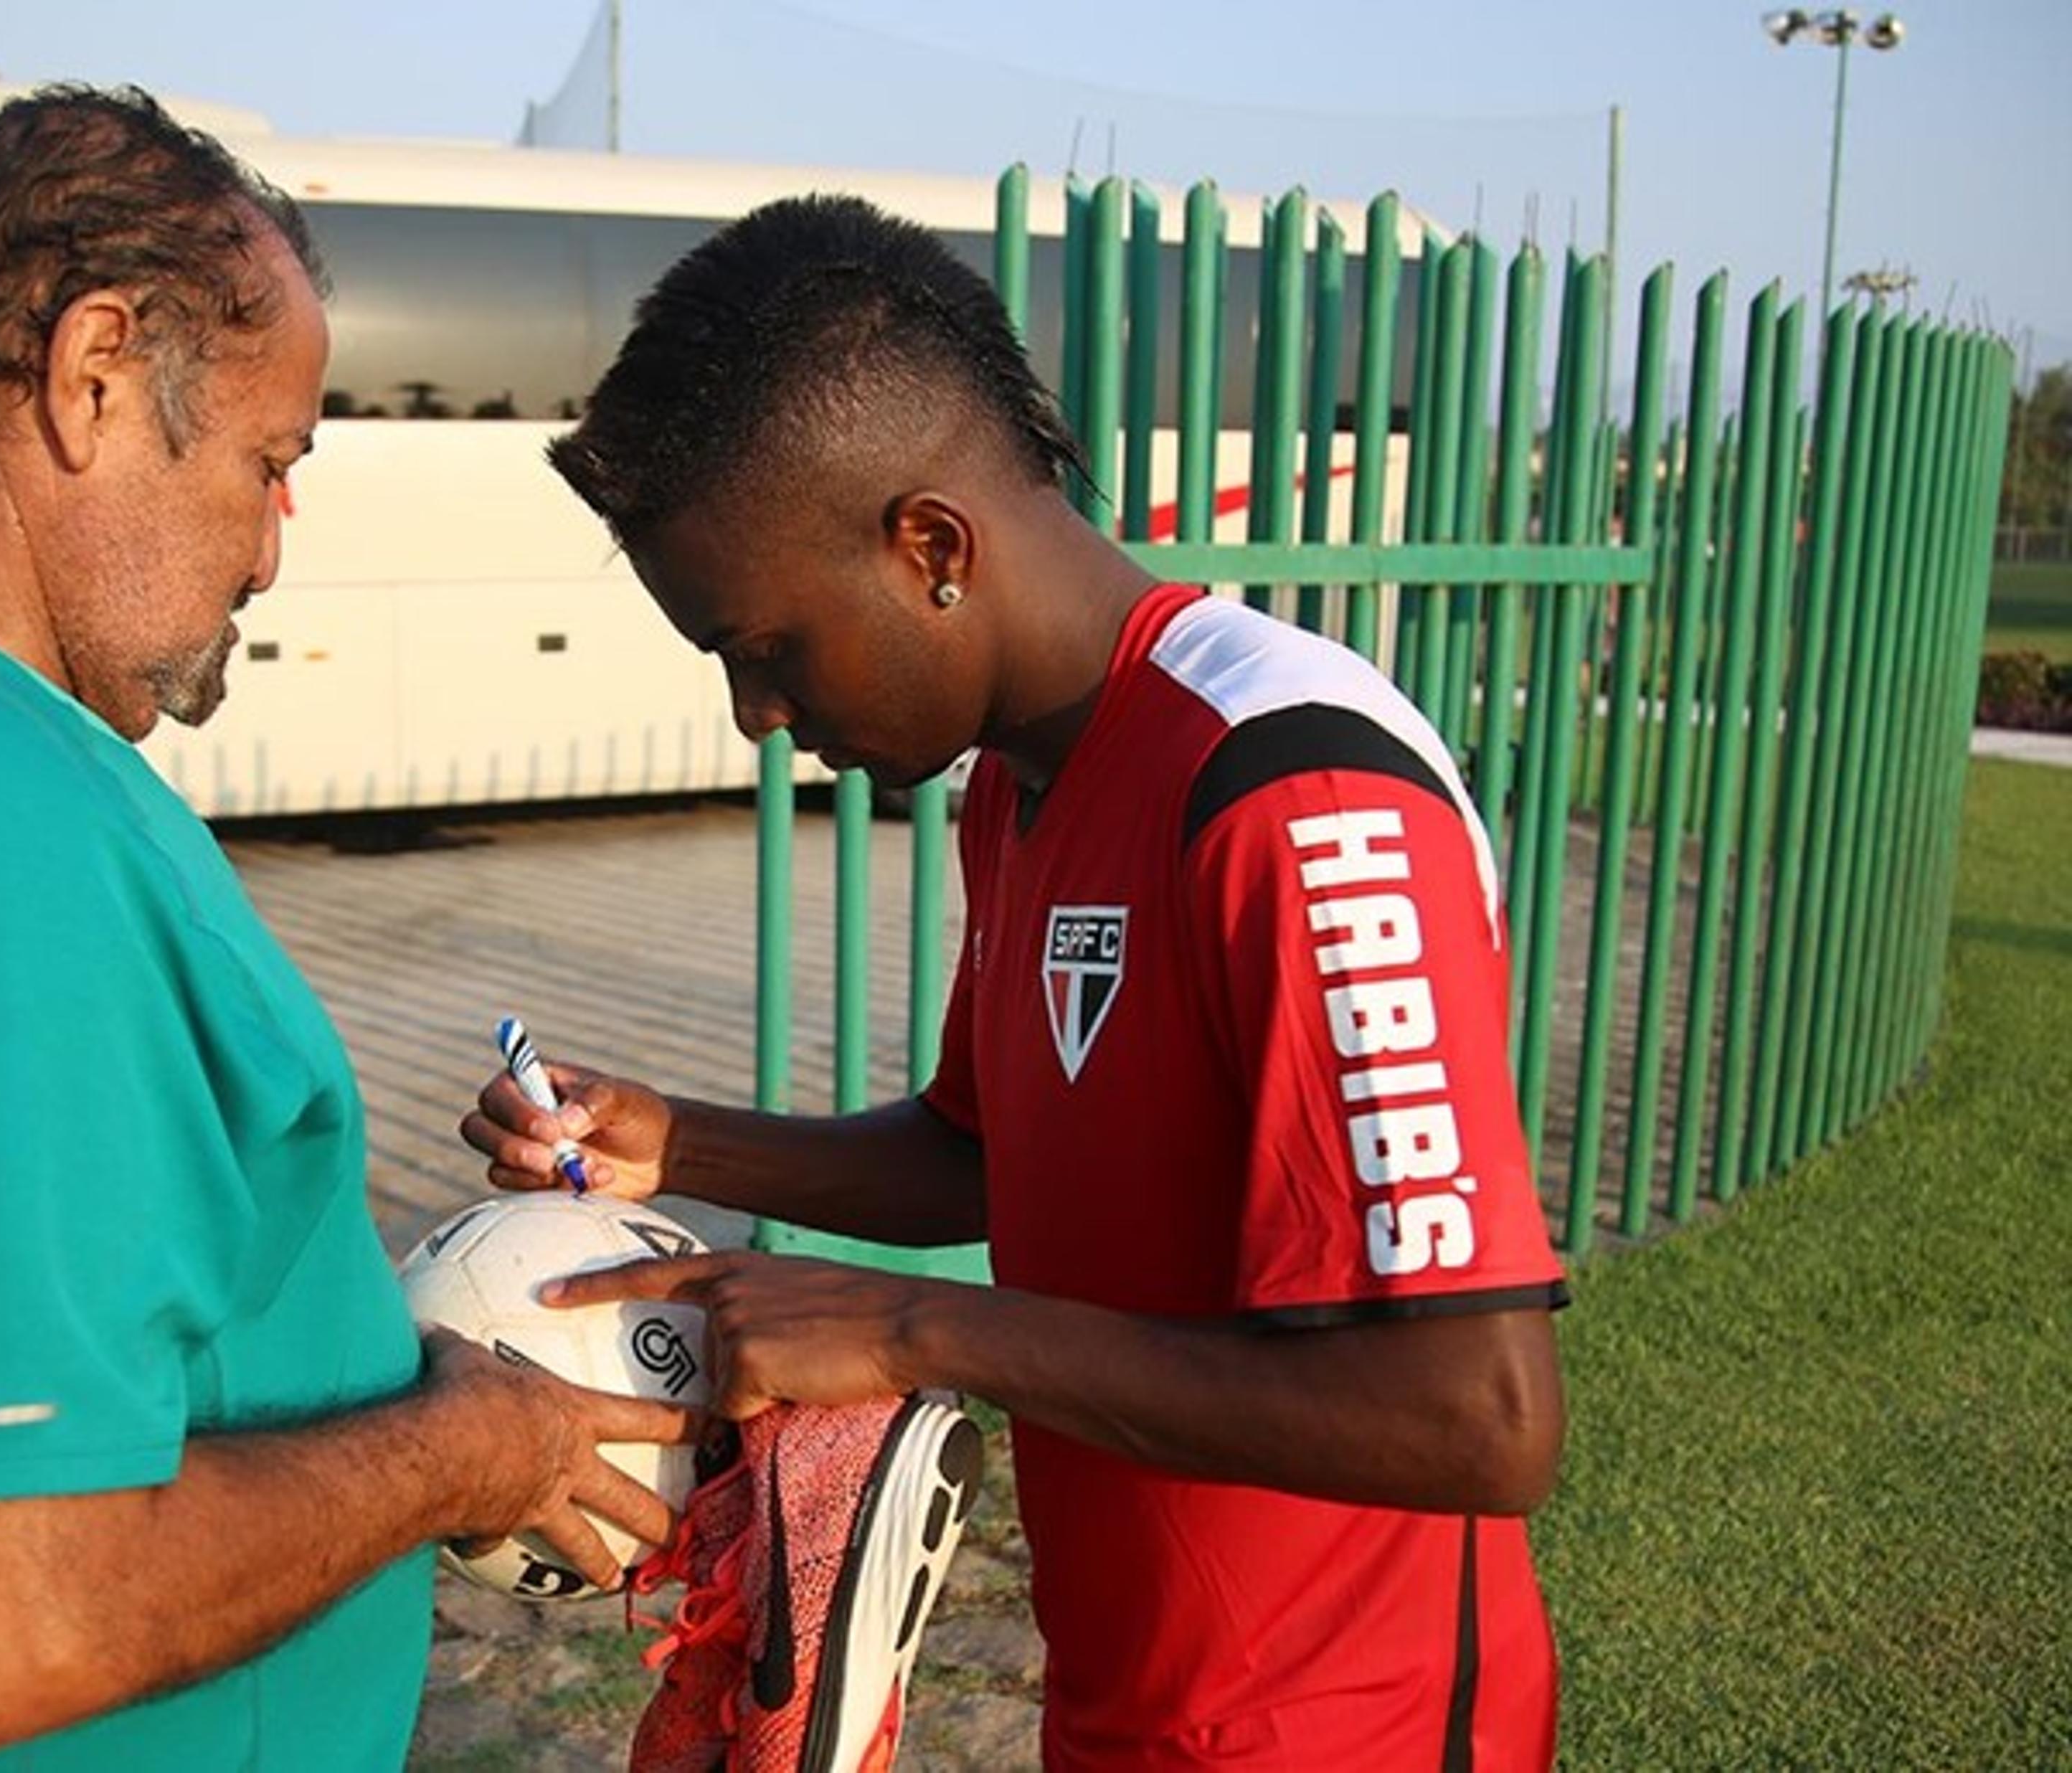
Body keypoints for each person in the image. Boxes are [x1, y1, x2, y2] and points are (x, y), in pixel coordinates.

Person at [0, 86, 694, 1770]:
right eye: (268, 462)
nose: (268, 549)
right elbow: (7, 1615)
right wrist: (457, 1452)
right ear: (94, 375)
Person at [465, 195, 1569, 1771]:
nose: (755, 716)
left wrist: (915, 1332)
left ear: (931, 546)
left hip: (1350, 1730)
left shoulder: (1293, 796)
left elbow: (1475, 1414)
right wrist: (678, 1143)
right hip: (1136, 1699)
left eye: (767, 645)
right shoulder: (1019, 784)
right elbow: (987, 1156)